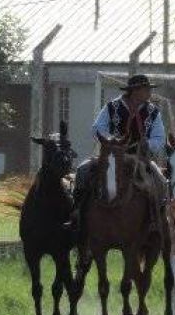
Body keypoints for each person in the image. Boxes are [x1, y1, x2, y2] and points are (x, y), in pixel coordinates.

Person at [71, 74, 167, 236]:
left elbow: (159, 139)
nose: (149, 92)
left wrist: (148, 144)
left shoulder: (153, 112)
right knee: (82, 171)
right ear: (135, 91)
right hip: (111, 158)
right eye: (146, 89)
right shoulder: (112, 107)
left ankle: (155, 221)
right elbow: (97, 128)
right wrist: (112, 141)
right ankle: (78, 214)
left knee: (160, 181)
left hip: (140, 160)